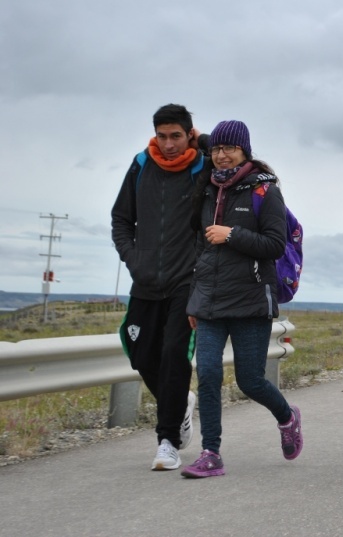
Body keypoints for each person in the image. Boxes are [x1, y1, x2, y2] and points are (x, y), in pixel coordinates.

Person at [181, 120, 303, 478]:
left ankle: (287, 416)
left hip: (251, 299)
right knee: (207, 374)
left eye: (229, 148)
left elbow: (274, 245)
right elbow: (200, 249)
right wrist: (194, 299)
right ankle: (210, 453)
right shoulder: (206, 190)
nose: (221, 155)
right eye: (216, 149)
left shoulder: (264, 191)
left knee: (250, 380)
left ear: (244, 151)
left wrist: (232, 234)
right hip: (208, 301)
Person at [112, 103, 207, 471]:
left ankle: (167, 441)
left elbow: (240, 160)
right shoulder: (140, 166)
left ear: (189, 134)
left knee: (173, 354)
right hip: (145, 280)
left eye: (177, 136)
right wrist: (133, 260)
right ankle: (181, 402)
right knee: (141, 353)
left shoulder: (203, 167)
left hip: (186, 281)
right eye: (162, 136)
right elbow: (121, 219)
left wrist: (206, 141)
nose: (168, 144)